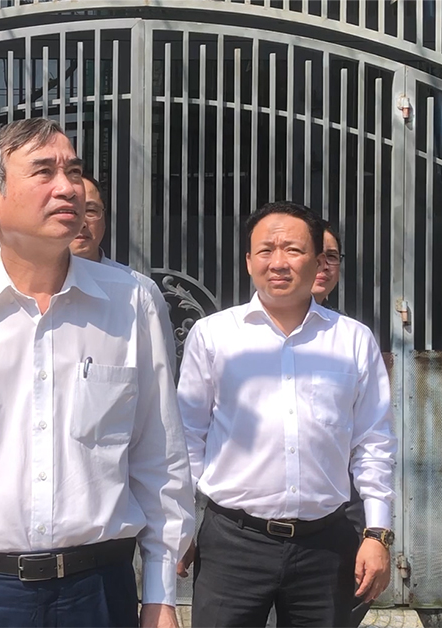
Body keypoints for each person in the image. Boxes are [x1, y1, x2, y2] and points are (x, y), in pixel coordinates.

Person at [0, 118, 195, 628]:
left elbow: (159, 458)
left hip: (98, 591)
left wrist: (161, 594)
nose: (67, 187)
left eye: (74, 171)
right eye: (44, 172)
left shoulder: (132, 303)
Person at [177, 201, 396, 627]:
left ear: (317, 261)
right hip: (233, 543)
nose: (278, 262)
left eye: (293, 250)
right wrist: (180, 524)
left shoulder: (352, 340)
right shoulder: (214, 335)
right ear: (248, 261)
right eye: (265, 250)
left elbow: (374, 442)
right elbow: (187, 437)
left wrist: (377, 533)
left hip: (325, 545)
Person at [310, 221, 373, 628]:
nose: (322, 265)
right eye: (313, 255)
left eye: (331, 256)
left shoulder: (351, 337)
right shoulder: (234, 337)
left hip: (341, 506)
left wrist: (375, 531)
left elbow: (372, 433)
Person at [69, 174, 177, 368]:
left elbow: (161, 374)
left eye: (91, 210)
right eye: (71, 210)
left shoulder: (140, 291)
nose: (82, 222)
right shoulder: (28, 291)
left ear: (104, 218)